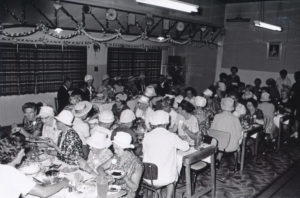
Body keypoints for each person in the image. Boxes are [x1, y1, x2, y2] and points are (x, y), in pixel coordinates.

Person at [0, 135, 69, 198]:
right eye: (22, 152)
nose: (24, 154)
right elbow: (44, 192)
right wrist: (63, 183)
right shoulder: (12, 173)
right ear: (14, 155)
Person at [143, 110, 189, 198]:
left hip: (148, 177)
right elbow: (186, 147)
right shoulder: (171, 136)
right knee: (173, 173)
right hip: (166, 178)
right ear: (166, 123)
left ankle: (157, 194)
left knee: (159, 162)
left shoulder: (147, 136)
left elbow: (145, 152)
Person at [108, 132, 143, 198]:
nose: (115, 151)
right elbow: (101, 167)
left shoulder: (137, 164)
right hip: (113, 190)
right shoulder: (117, 156)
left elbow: (134, 188)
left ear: (126, 149)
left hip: (127, 194)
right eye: (114, 148)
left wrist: (125, 177)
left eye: (117, 148)